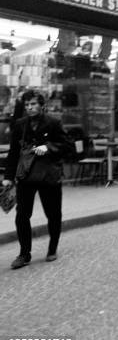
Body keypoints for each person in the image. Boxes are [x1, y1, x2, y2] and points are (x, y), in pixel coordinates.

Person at [2, 90, 73, 269]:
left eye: (33, 104)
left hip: (49, 175)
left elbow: (67, 146)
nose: (30, 108)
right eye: (27, 105)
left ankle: (52, 248)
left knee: (53, 213)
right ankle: (24, 253)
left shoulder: (53, 123)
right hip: (26, 176)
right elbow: (13, 153)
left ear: (42, 105)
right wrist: (8, 178)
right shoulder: (20, 124)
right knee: (22, 215)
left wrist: (48, 148)